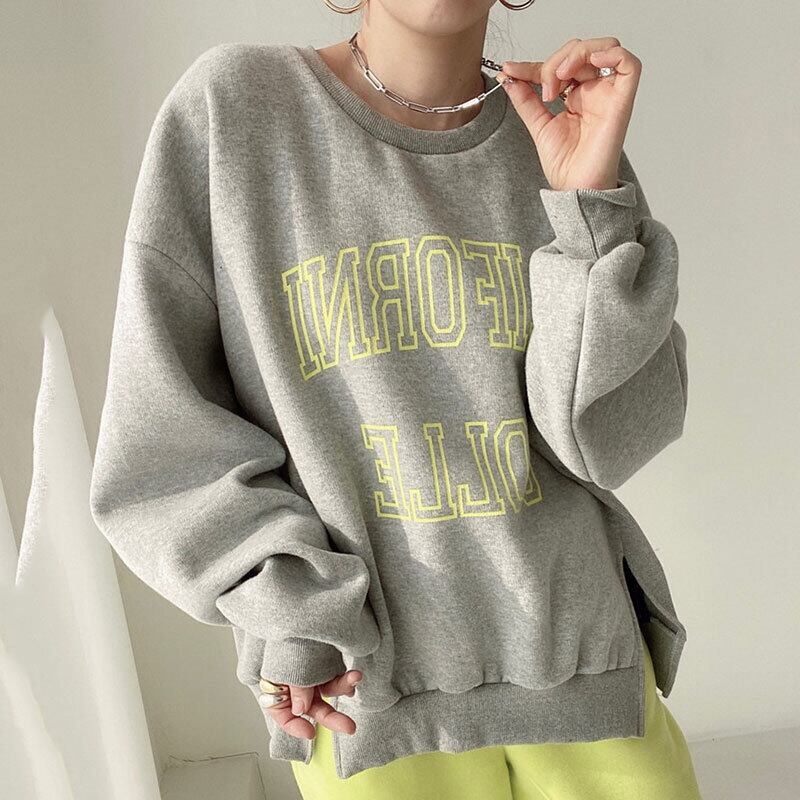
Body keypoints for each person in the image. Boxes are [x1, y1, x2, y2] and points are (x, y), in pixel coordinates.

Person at [89, 0, 704, 797]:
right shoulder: (235, 109)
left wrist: (589, 212)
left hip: (585, 671)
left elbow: (611, 440)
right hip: (360, 694)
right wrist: (289, 608)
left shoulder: (560, 136)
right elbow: (160, 441)